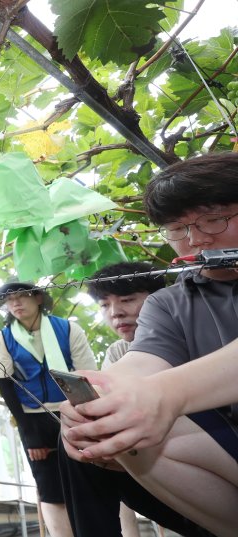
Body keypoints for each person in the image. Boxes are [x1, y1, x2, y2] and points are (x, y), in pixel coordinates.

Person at [60, 151, 238, 536]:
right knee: (110, 426)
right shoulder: (172, 302)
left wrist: (164, 393)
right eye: (177, 227)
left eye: (214, 219)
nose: (196, 238)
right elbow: (141, 365)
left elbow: (159, 387)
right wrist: (100, 396)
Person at [57, 262, 210, 537]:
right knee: (77, 436)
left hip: (204, 461)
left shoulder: (196, 335)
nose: (116, 312)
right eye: (104, 305)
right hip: (151, 470)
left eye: (127, 299)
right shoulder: (118, 352)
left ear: (159, 299)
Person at [0, 282, 96, 537]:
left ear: (38, 298)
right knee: (49, 487)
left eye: (21, 296)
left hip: (73, 411)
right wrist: (28, 433)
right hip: (32, 418)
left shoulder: (69, 329)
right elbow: (6, 386)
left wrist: (87, 418)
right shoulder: (2, 338)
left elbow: (87, 374)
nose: (14, 303)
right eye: (8, 299)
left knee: (90, 478)